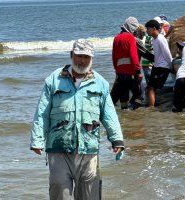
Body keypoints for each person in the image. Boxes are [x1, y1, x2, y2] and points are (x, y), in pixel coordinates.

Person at [30, 39, 125, 200]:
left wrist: (117, 139)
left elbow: (108, 114)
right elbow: (42, 113)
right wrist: (37, 139)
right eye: (79, 56)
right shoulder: (53, 80)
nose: (82, 60)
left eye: (86, 57)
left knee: (90, 196)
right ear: (71, 55)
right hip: (58, 148)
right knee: (59, 190)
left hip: (89, 150)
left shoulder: (100, 83)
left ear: (91, 59)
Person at [111, 16, 143, 110]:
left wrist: (117, 70)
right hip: (131, 72)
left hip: (120, 73)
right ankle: (135, 116)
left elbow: (114, 57)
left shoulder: (116, 38)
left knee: (123, 98)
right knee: (138, 95)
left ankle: (125, 120)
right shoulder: (130, 38)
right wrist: (138, 71)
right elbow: (134, 56)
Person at [145, 19, 173, 107]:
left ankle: (151, 109)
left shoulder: (161, 39)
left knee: (151, 88)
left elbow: (167, 54)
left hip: (162, 67)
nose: (146, 31)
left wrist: (171, 66)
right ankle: (153, 105)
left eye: (148, 29)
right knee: (151, 88)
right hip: (157, 66)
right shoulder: (154, 39)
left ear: (154, 28)